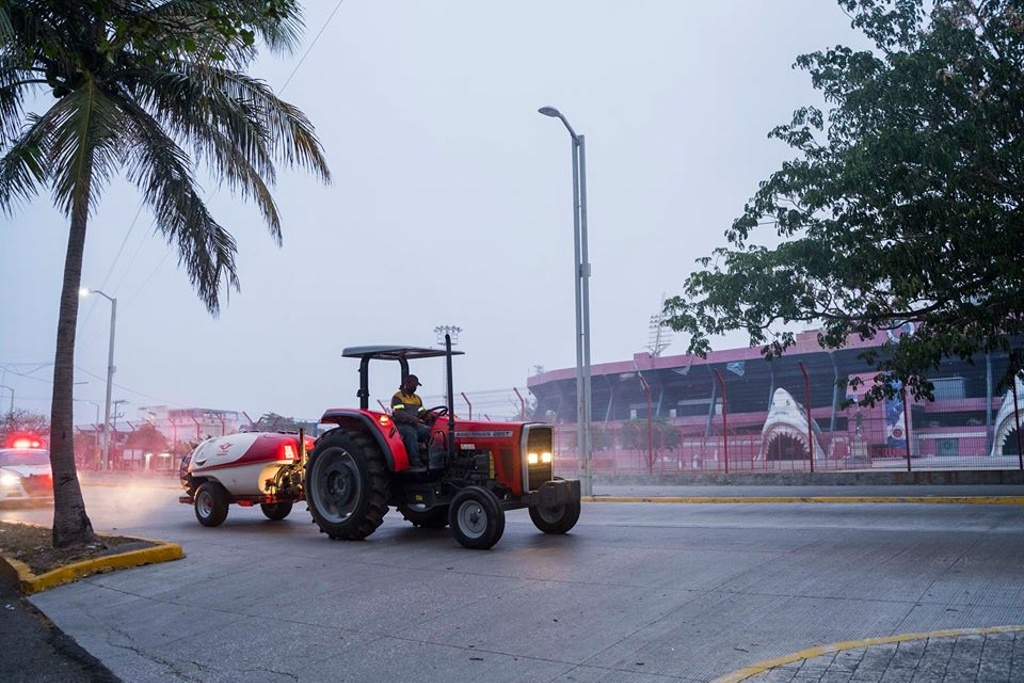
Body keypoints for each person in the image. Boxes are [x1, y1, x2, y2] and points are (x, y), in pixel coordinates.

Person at [391, 374, 431, 467]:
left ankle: (430, 457)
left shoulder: (417, 398)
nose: (415, 387)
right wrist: (414, 419)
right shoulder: (398, 397)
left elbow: (421, 411)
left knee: (431, 431)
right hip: (401, 425)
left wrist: (428, 415)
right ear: (406, 384)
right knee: (411, 433)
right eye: (413, 385)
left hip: (415, 424)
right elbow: (399, 413)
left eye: (416, 386)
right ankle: (415, 460)